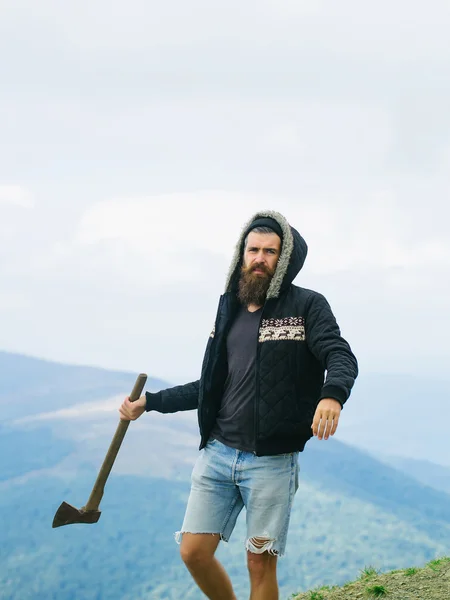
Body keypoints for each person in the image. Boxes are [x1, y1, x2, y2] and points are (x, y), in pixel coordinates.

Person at [119, 210, 358, 600]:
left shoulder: (308, 306)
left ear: (285, 260)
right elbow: (211, 384)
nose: (259, 258)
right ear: (241, 255)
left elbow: (340, 355)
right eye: (253, 250)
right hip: (216, 453)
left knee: (259, 563)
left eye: (270, 251)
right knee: (193, 552)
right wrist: (150, 402)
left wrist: (332, 395)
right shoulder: (228, 307)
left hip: (271, 462)